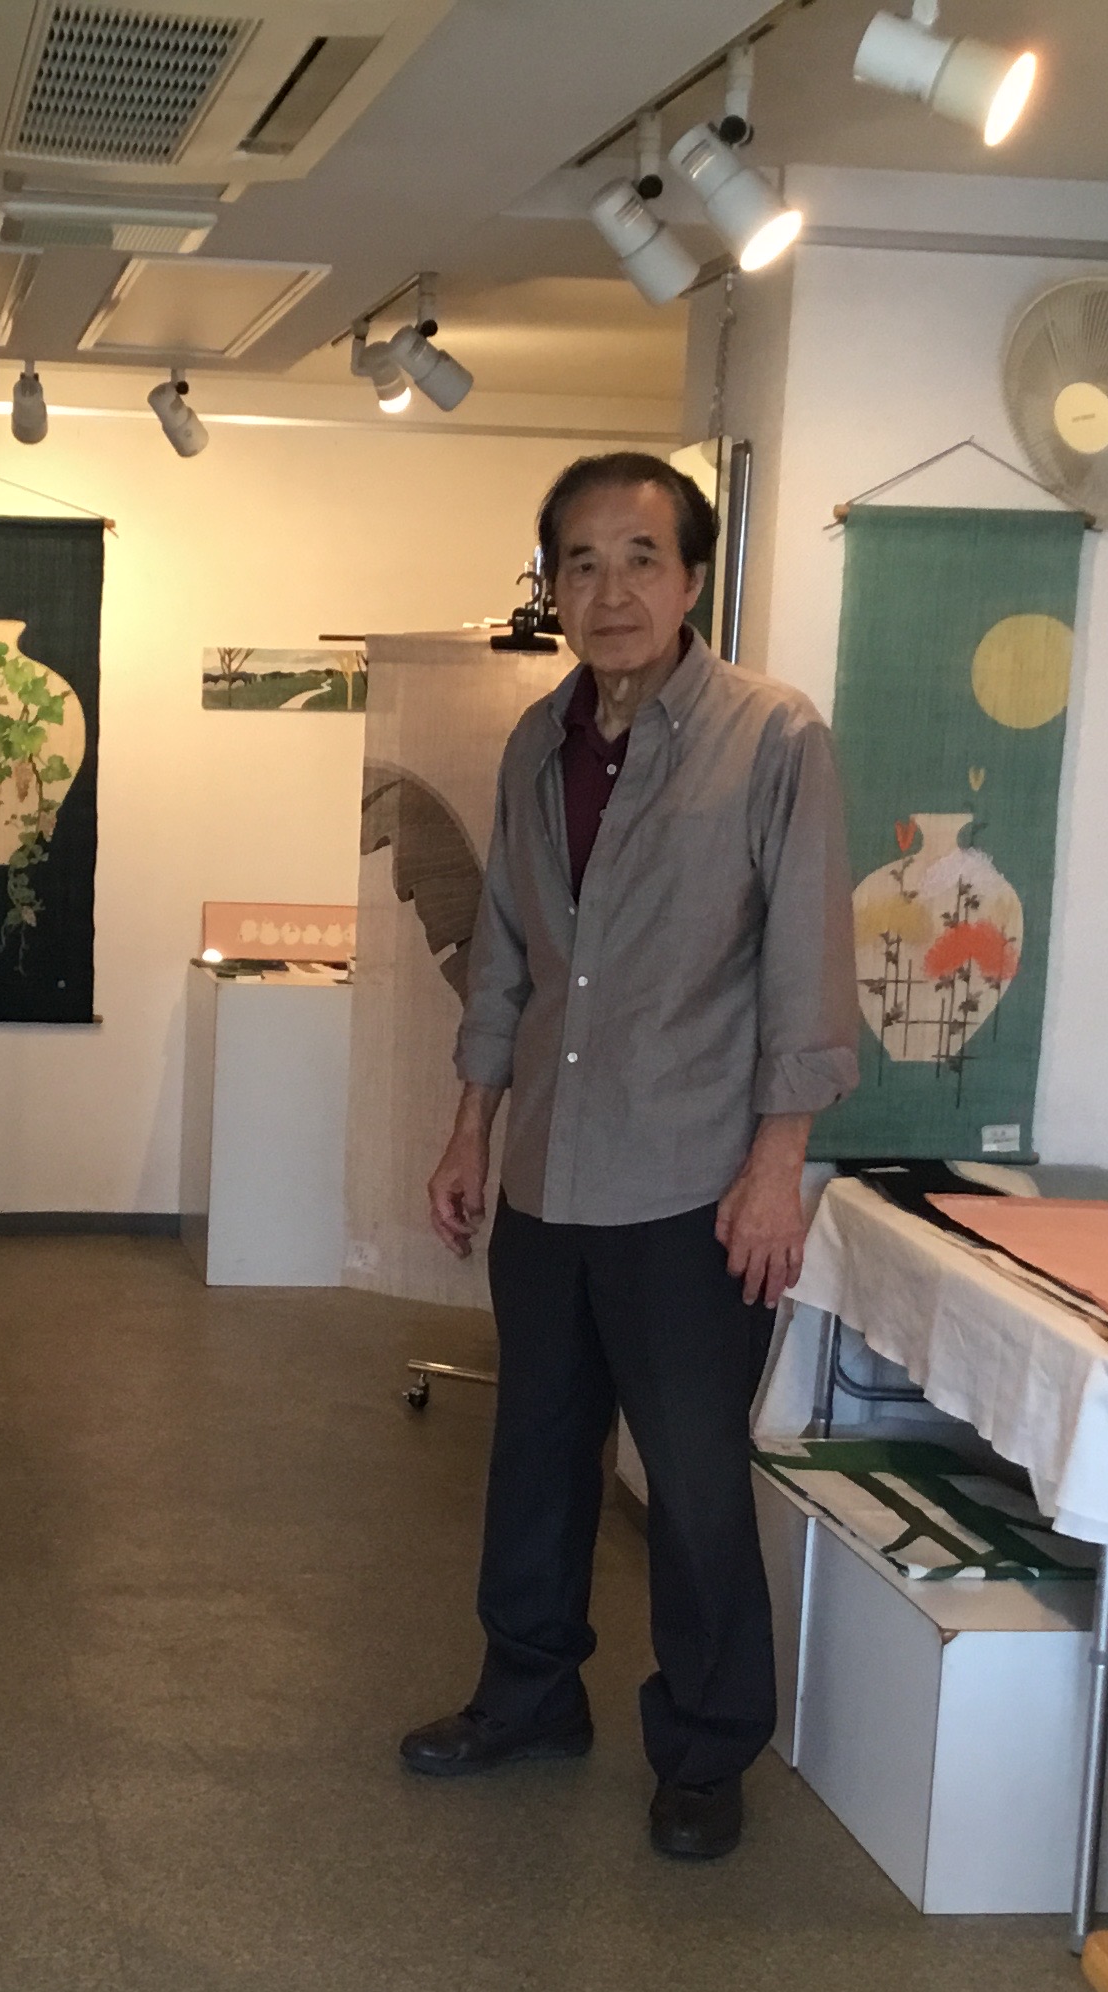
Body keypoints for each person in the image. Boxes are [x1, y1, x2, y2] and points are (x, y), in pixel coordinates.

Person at [397, 452, 857, 1862]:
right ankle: (530, 1694)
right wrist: (471, 1126)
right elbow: (509, 960)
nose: (609, 592)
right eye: (580, 564)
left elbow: (807, 967)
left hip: (693, 1183)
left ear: (693, 578)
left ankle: (708, 1746)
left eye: (640, 558)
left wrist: (778, 1167)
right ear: (551, 586)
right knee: (536, 1454)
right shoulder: (536, 744)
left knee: (696, 1482)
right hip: (549, 1167)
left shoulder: (772, 738)